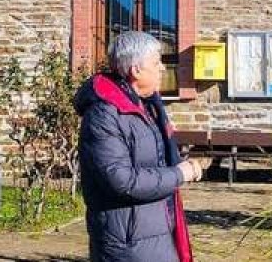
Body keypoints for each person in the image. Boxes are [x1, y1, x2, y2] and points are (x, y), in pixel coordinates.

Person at [74, 31, 203, 261]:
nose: (163, 68)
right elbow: (121, 181)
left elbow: (154, 160)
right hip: (129, 242)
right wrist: (179, 174)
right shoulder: (104, 115)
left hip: (154, 229)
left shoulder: (147, 107)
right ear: (136, 70)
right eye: (156, 62)